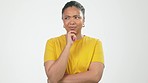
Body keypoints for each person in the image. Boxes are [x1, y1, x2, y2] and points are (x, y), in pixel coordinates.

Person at [44, 1, 104, 83]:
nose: (72, 22)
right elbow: (53, 77)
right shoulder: (52, 43)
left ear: (83, 21)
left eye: (76, 17)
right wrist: (68, 45)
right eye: (67, 18)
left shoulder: (95, 43)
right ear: (63, 22)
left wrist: (60, 80)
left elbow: (95, 76)